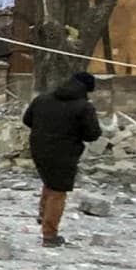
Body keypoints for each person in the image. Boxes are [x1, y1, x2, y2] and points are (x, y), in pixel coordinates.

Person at [22, 71, 103, 246]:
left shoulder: (42, 99)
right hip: (65, 152)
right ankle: (49, 235)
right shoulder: (84, 107)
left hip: (39, 148)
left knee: (49, 182)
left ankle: (43, 216)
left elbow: (27, 120)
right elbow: (92, 134)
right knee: (58, 191)